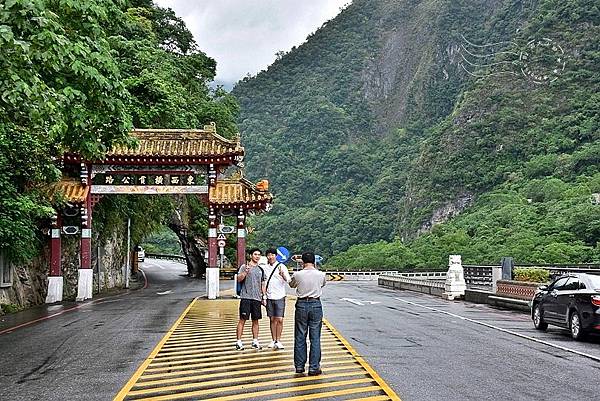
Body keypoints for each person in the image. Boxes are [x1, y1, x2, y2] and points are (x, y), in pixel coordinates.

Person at [289, 251, 326, 375]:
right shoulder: (321, 274)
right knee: (315, 338)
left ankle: (299, 366)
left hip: (301, 305)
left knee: (300, 336)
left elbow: (291, 284)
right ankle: (314, 367)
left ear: (303, 262)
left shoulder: (298, 274)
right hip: (316, 304)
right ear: (314, 262)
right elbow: (322, 285)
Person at [235, 248, 266, 350]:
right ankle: (238, 342)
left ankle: (255, 341)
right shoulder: (244, 267)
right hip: (246, 297)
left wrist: (264, 296)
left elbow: (262, 284)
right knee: (242, 320)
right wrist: (245, 272)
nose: (257, 256)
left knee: (255, 320)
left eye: (259, 255)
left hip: (257, 298)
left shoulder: (261, 269)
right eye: (255, 254)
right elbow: (239, 279)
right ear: (251, 255)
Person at [263, 248, 291, 350]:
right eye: (268, 255)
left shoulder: (281, 266)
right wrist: (264, 296)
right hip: (269, 296)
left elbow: (289, 280)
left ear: (276, 256)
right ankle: (273, 339)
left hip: (280, 296)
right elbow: (263, 282)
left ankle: (278, 340)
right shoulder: (265, 268)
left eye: (272, 255)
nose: (270, 257)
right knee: (272, 319)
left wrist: (283, 275)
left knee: (279, 319)